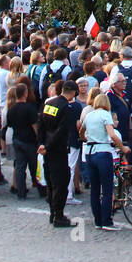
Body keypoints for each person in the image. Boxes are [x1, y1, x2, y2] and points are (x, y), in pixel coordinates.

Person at [81, 92, 128, 230]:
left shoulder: (89, 115)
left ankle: (97, 221)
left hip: (90, 152)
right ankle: (106, 220)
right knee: (107, 189)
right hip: (103, 152)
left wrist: (88, 138)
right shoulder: (106, 114)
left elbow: (81, 132)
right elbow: (112, 134)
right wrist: (122, 148)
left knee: (95, 189)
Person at [38, 79, 77, 228]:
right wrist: (48, 146)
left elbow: (40, 124)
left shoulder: (48, 103)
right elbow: (61, 131)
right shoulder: (67, 108)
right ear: (73, 93)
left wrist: (41, 144)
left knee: (50, 182)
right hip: (57, 149)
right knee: (61, 183)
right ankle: (58, 216)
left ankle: (53, 213)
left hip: (47, 149)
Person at [5, 82, 40, 199]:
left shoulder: (11, 109)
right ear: (25, 94)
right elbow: (34, 126)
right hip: (29, 140)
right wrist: (39, 138)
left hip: (17, 138)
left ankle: (21, 191)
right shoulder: (30, 108)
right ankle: (41, 189)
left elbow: (9, 124)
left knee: (20, 167)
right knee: (34, 166)